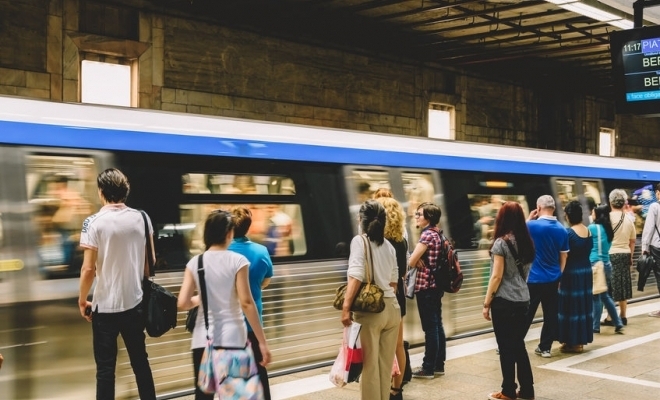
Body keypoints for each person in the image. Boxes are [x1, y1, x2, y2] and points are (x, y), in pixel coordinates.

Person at [77, 168, 157, 400]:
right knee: (140, 364)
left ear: (101, 192)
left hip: (104, 309)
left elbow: (88, 269)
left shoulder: (92, 222)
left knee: (105, 371)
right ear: (125, 192)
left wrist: (82, 300)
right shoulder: (142, 218)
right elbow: (149, 263)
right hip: (134, 304)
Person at [178, 210, 271, 400]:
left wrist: (201, 299)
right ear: (229, 233)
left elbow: (183, 303)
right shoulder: (238, 261)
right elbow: (246, 302)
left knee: (204, 394)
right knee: (237, 393)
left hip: (203, 340)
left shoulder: (196, 262)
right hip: (233, 338)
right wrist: (262, 342)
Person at [340, 200, 400, 400]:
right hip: (392, 310)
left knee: (370, 369)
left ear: (361, 220)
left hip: (371, 314)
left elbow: (356, 276)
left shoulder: (360, 241)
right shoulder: (389, 246)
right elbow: (394, 282)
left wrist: (346, 307)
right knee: (384, 368)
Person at [482, 201, 535, 400]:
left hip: (504, 302)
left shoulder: (501, 243)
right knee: (518, 346)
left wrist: (487, 303)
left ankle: (508, 391)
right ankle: (527, 390)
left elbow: (496, 277)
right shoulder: (527, 242)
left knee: (505, 348)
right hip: (523, 300)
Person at [228, 207, 274, 399]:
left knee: (232, 376)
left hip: (228, 324)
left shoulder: (220, 251)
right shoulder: (261, 251)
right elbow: (265, 281)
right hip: (253, 323)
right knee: (259, 373)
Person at [524, 195, 569, 358]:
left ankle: (516, 342)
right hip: (552, 279)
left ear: (538, 207)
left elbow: (516, 234)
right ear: (554, 209)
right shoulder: (562, 229)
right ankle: (545, 348)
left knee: (527, 313)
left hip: (533, 279)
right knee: (551, 314)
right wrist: (559, 276)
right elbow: (563, 257)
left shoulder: (531, 226)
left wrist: (528, 218)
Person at [375, 197, 409, 400]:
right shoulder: (401, 241)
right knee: (398, 345)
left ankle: (383, 384)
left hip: (381, 298)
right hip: (398, 297)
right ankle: (397, 389)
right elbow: (403, 272)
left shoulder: (377, 242)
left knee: (380, 345)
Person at [409, 202, 447, 378]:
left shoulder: (426, 236)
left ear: (428, 218)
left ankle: (428, 367)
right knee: (437, 325)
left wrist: (414, 259)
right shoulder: (438, 233)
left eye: (419, 214)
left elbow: (411, 261)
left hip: (425, 286)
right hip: (436, 285)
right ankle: (439, 364)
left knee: (430, 328)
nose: (416, 217)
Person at [557, 201, 594, 353]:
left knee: (571, 307)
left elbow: (564, 256)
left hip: (571, 273)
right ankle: (580, 341)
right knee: (583, 306)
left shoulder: (568, 233)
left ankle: (572, 342)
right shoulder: (588, 231)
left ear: (568, 216)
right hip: (585, 271)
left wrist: (559, 276)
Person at [590, 204, 624, 333]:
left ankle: (595, 326)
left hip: (595, 265)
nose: (592, 214)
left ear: (598, 214)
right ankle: (618, 322)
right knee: (605, 295)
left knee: (596, 296)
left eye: (593, 212)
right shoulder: (608, 229)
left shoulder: (592, 228)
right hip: (607, 264)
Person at [605, 189, 636, 326]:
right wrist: (630, 256)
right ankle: (623, 316)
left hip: (609, 254)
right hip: (624, 253)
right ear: (624, 203)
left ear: (610, 202)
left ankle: (610, 317)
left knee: (610, 287)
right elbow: (633, 241)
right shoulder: (628, 219)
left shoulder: (606, 219)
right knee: (622, 286)